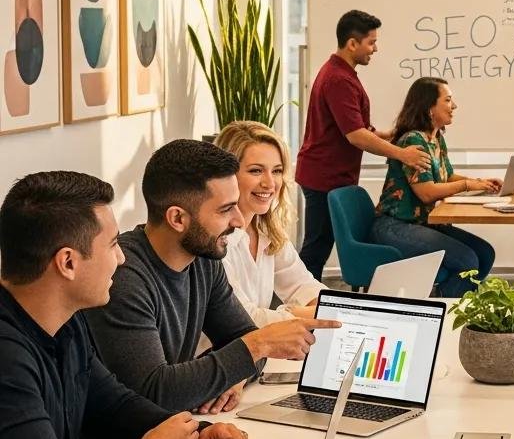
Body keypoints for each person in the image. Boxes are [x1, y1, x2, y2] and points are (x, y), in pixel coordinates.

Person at [0, 171, 250, 439]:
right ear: (67, 262)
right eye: (113, 245)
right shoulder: (7, 357)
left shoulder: (65, 321)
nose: (121, 257)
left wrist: (192, 433)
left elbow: (111, 402)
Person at [86, 140, 339, 414]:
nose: (239, 221)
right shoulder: (124, 278)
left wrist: (239, 369)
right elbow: (154, 393)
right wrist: (256, 347)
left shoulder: (204, 260)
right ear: (178, 219)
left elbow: (244, 339)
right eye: (225, 209)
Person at [295, 10, 432, 280]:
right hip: (324, 176)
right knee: (316, 249)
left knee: (319, 246)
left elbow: (356, 126)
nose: (375, 49)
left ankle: (305, 301)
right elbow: (355, 135)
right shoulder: (339, 79)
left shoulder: (343, 73)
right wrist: (402, 154)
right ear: (352, 44)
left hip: (330, 175)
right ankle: (300, 306)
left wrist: (387, 135)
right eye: (371, 42)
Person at [371, 77, 500, 298]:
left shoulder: (435, 137)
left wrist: (478, 183)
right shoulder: (414, 141)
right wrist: (466, 185)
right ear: (430, 107)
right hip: (396, 225)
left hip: (421, 223)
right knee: (467, 260)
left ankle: (446, 300)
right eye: (448, 100)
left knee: (484, 253)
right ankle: (444, 317)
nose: (454, 106)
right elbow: (427, 192)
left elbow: (447, 176)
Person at [215, 120, 325, 327]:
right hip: (219, 355)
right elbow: (246, 319)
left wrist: (338, 309)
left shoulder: (267, 230)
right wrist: (300, 313)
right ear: (227, 175)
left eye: (276, 171)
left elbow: (303, 286)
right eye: (256, 171)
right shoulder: (213, 241)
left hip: (259, 351)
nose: (270, 183)